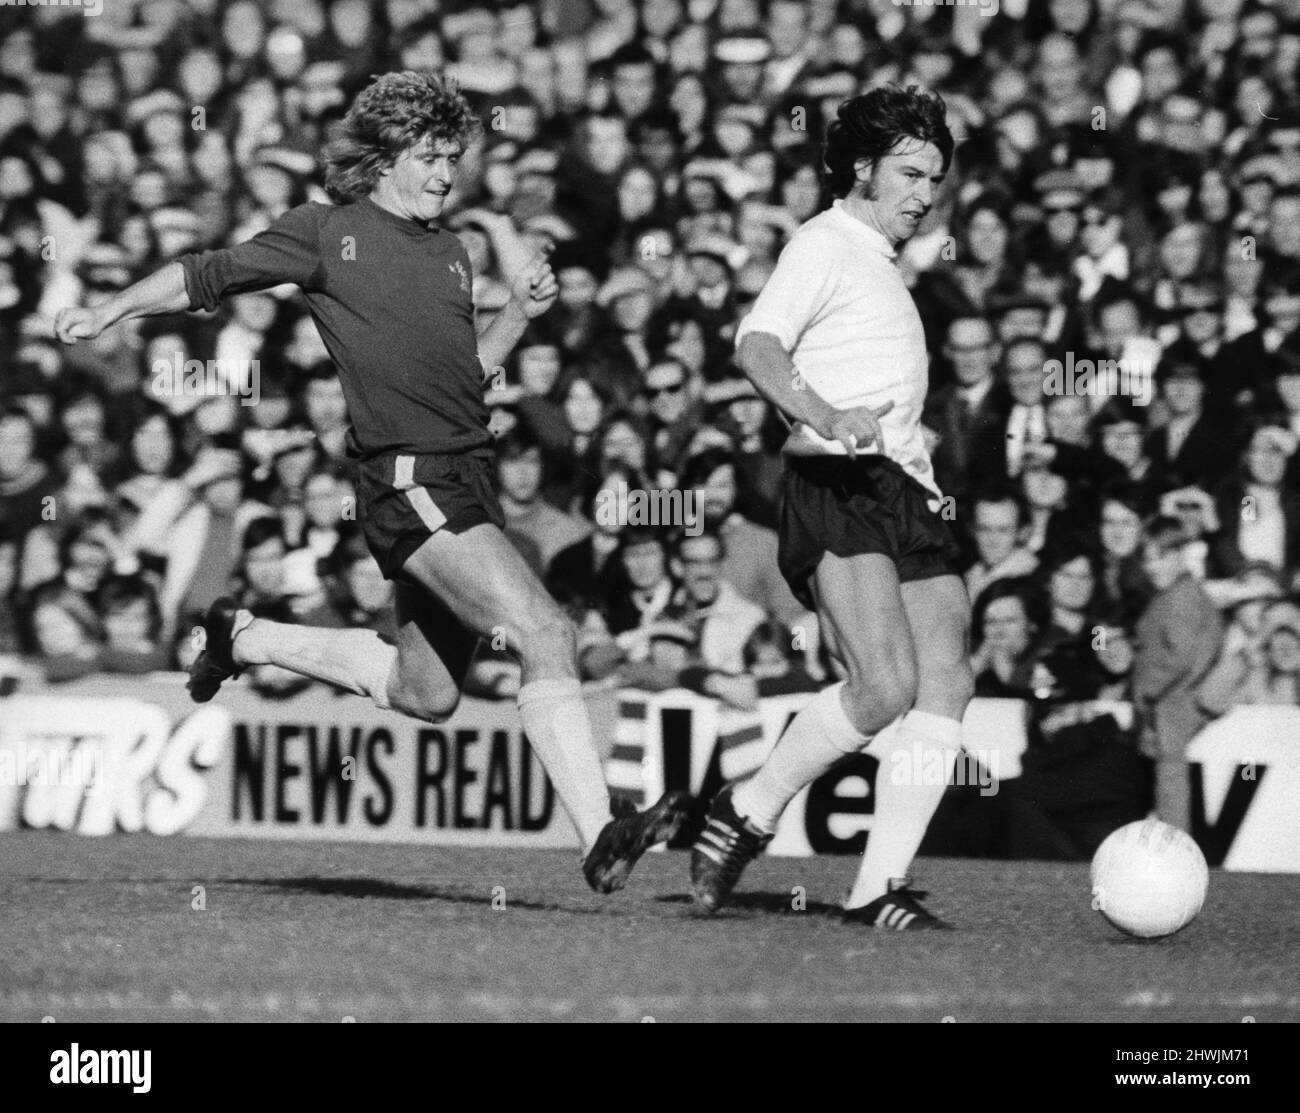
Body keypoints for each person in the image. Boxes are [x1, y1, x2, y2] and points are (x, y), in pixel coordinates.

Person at [52, 71, 686, 894]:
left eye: (454, 157)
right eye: (430, 156)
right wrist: (110, 310)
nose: (445, 174)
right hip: (411, 477)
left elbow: (470, 376)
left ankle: (245, 637)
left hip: (463, 474)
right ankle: (601, 829)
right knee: (546, 631)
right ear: (384, 157)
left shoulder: (452, 251)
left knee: (425, 693)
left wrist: (519, 316)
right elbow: (207, 274)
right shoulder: (326, 231)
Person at [689, 85, 972, 929]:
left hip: (901, 485)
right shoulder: (824, 242)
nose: (925, 193)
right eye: (911, 173)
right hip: (836, 477)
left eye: (936, 178)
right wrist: (821, 412)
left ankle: (875, 890)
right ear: (862, 169)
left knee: (947, 675)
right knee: (882, 684)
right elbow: (756, 344)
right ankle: (748, 809)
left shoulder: (880, 263)